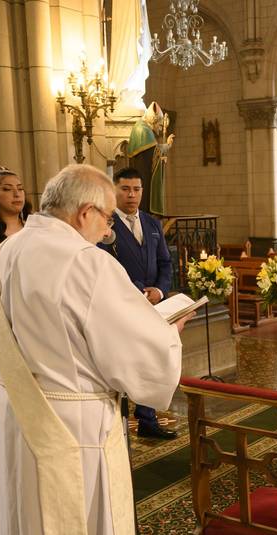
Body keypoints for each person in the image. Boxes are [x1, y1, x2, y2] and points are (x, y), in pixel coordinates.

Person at [0, 164, 191, 535]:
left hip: (19, 415)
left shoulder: (5, 253)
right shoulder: (86, 262)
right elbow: (135, 354)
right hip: (75, 425)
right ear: (85, 211)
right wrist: (166, 335)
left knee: (30, 529)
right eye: (108, 217)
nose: (110, 229)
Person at [99, 167, 176, 439]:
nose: (132, 195)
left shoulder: (153, 224)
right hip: (121, 306)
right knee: (122, 362)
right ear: (114, 190)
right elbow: (104, 266)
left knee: (149, 360)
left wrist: (161, 290)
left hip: (152, 305)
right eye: (125, 189)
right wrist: (137, 291)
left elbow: (166, 263)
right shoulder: (104, 224)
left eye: (137, 189)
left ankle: (147, 419)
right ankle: (114, 422)